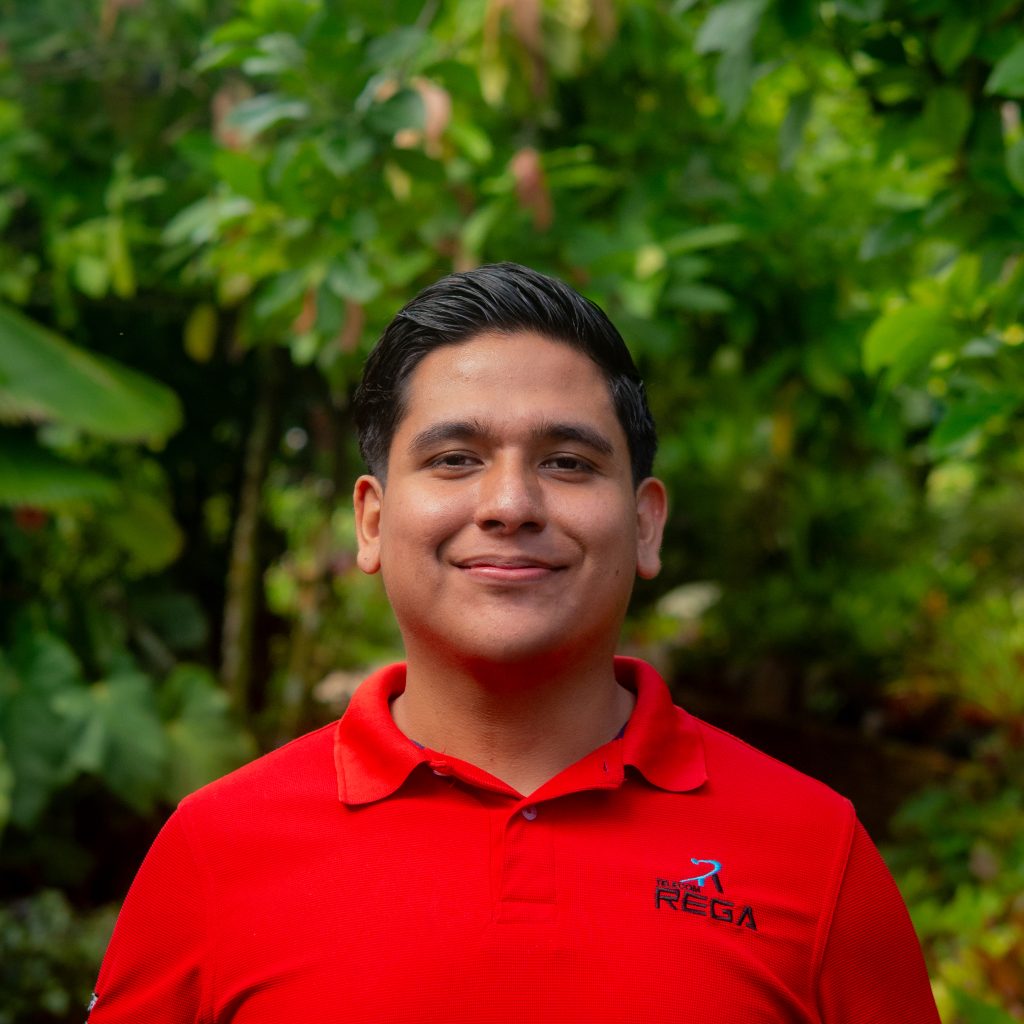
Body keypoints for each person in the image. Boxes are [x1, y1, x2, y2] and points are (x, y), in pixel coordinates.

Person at [89, 263, 940, 1022]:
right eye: (455, 459)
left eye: (566, 462)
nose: (510, 505)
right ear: (372, 522)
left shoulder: (815, 853)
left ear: (646, 525)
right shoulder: (215, 853)